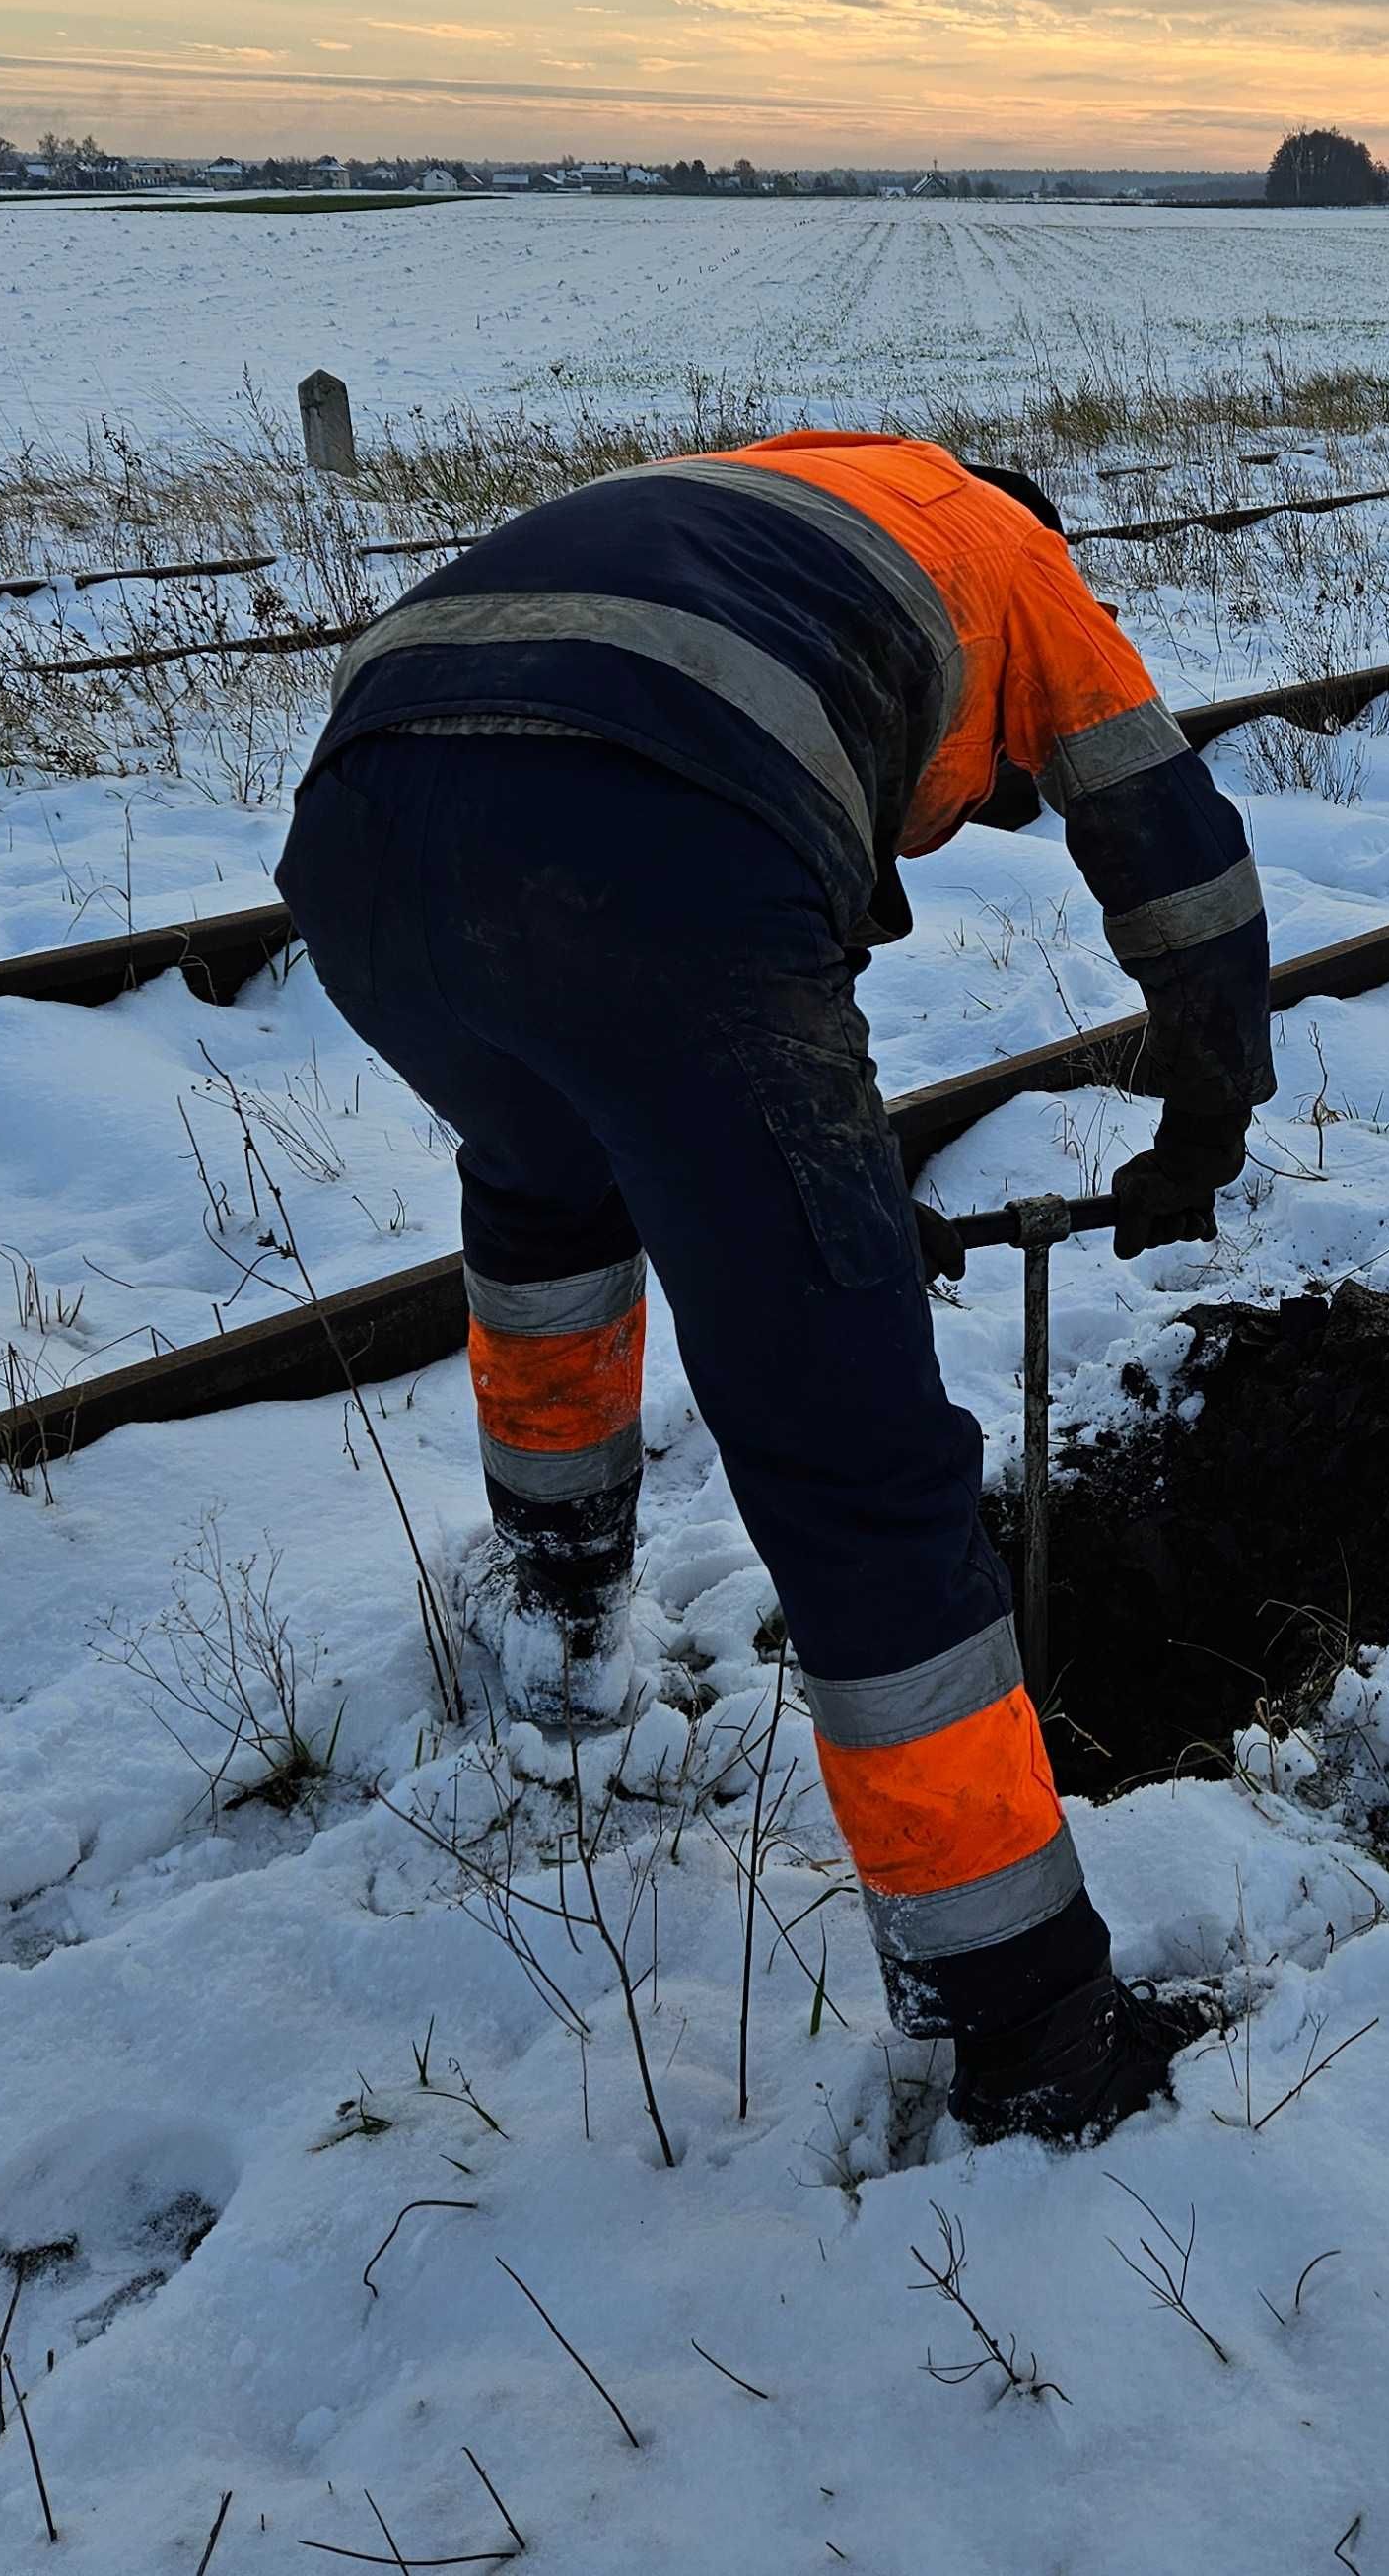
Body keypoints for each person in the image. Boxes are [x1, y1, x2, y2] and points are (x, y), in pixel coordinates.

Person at [277, 431, 1272, 2144]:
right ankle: (1026, 2024)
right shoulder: (1014, 562)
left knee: (546, 1215)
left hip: (364, 839)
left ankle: (562, 1623)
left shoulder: (796, 499)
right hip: (658, 841)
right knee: (851, 1450)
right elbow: (1169, 843)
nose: (990, 805)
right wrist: (1207, 1107)